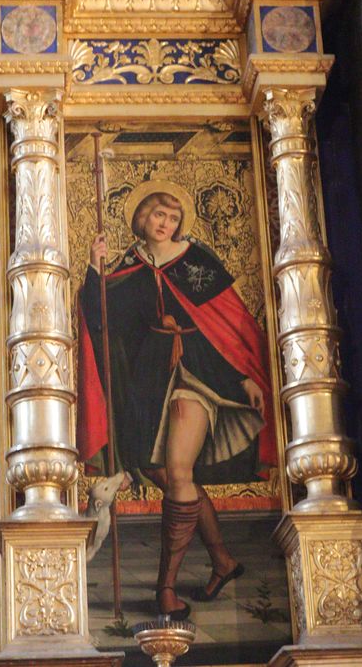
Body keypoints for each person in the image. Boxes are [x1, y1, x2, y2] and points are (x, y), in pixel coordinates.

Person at [78, 179, 276, 619]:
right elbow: (102, 318)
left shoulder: (194, 260)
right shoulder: (129, 265)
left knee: (180, 472)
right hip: (150, 377)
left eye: (172, 217)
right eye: (157, 214)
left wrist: (242, 376)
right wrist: (95, 269)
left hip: (200, 371)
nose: (164, 223)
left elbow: (230, 324)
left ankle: (164, 588)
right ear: (141, 218)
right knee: (158, 470)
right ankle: (222, 560)